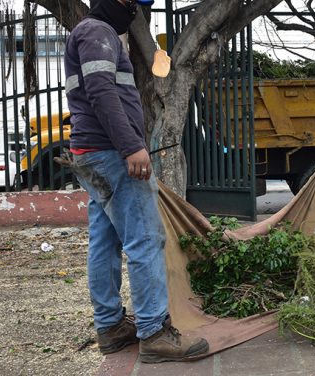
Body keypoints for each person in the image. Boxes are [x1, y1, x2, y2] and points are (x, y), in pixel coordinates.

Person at [64, 0, 209, 362]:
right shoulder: (98, 32)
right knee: (145, 237)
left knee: (105, 238)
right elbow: (101, 91)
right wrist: (131, 146)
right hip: (111, 152)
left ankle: (111, 326)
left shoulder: (92, 33)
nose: (136, 13)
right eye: (133, 5)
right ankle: (154, 331)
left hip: (92, 153)